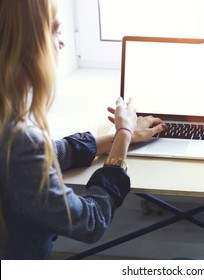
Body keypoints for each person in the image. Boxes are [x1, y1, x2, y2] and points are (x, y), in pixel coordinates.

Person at [0, 0, 166, 259]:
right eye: (55, 31)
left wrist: (115, 138)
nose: (61, 43)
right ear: (26, 45)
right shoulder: (18, 138)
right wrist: (123, 134)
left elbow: (50, 152)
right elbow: (91, 221)